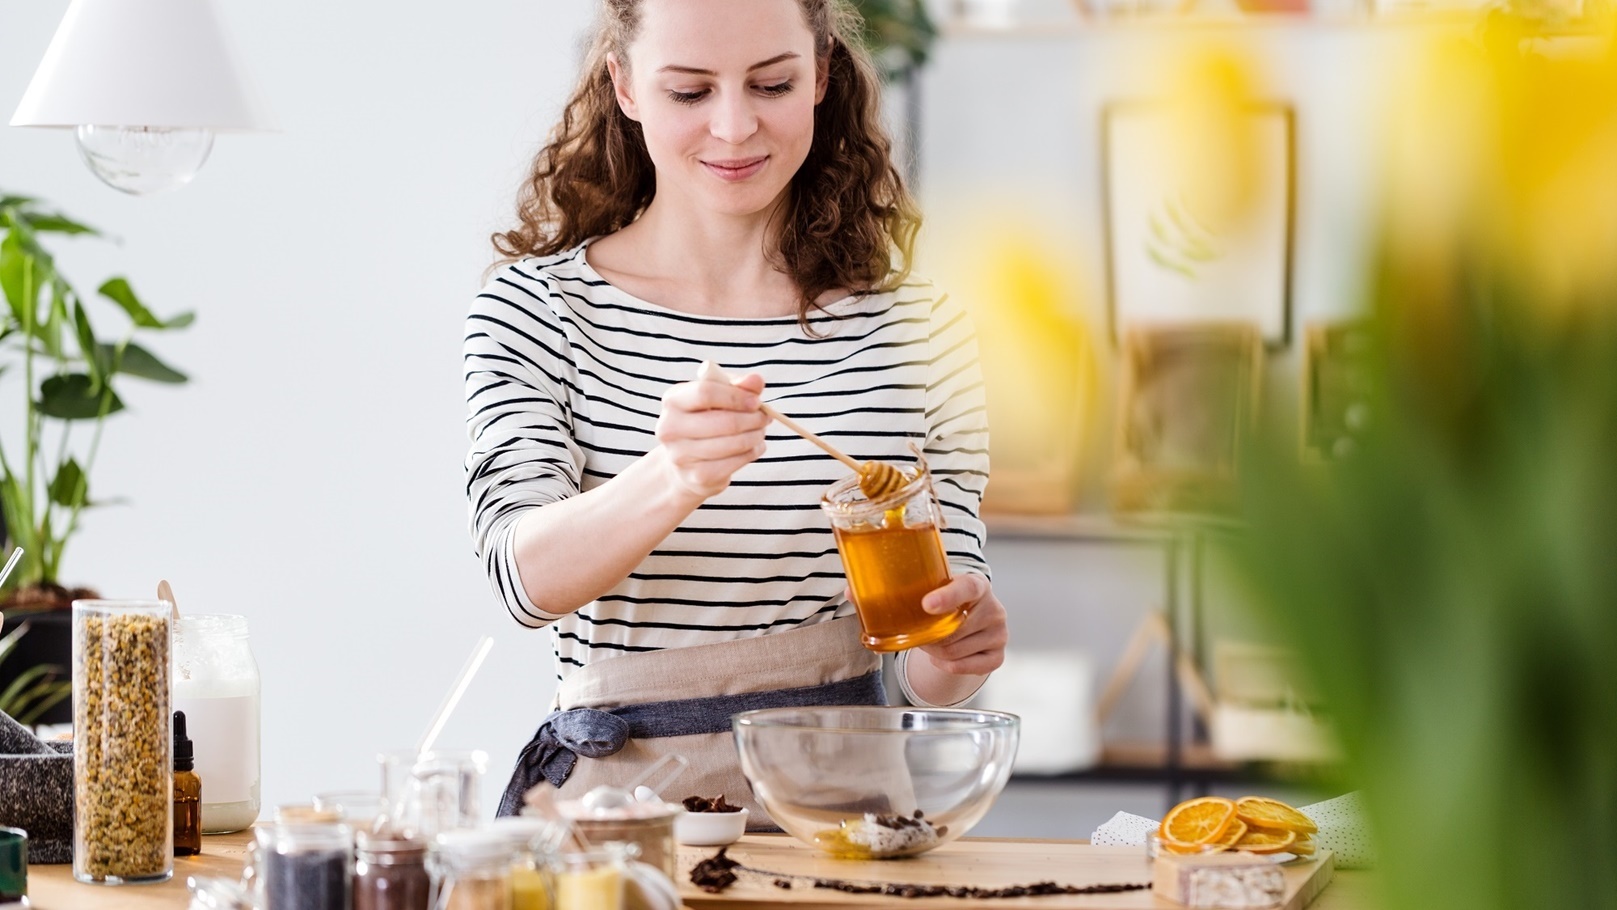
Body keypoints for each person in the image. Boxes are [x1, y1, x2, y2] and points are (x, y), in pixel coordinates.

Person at [465, 0, 1009, 822]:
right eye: (689, 91)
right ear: (626, 84)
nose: (732, 127)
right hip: (621, 815)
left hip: (843, 808)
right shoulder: (538, 309)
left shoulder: (920, 326)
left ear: (821, 76)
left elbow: (933, 657)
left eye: (772, 84)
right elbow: (523, 579)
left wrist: (960, 650)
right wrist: (671, 477)